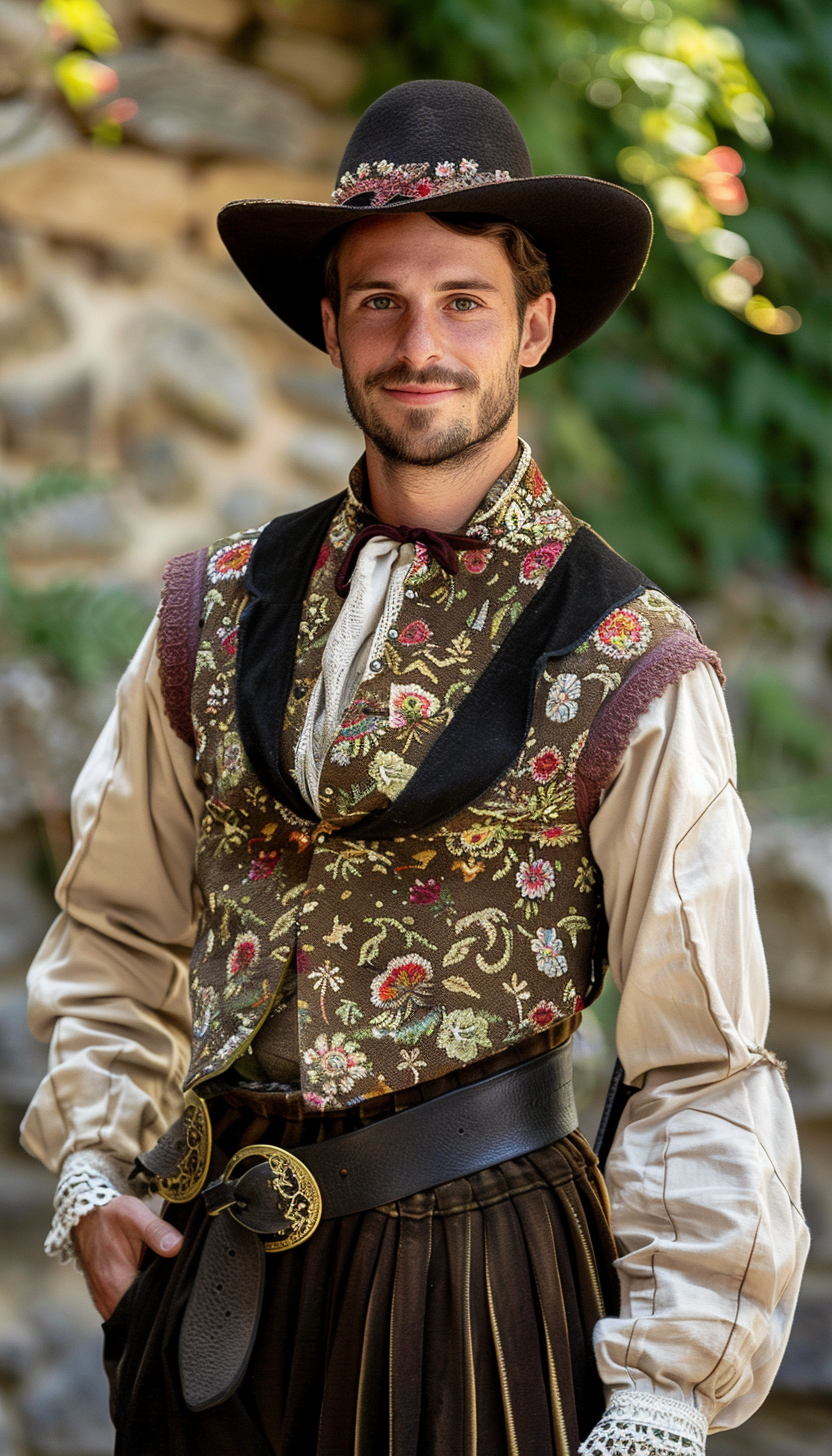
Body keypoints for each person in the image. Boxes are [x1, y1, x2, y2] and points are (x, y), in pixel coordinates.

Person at [22, 79, 807, 1456]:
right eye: (379, 299)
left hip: (482, 1292)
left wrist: (668, 1391)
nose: (417, 341)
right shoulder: (212, 610)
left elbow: (701, 1060)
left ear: (534, 326)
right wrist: (93, 1169)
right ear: (329, 325)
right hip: (213, 1288)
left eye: (462, 299)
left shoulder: (628, 655)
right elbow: (116, 919)